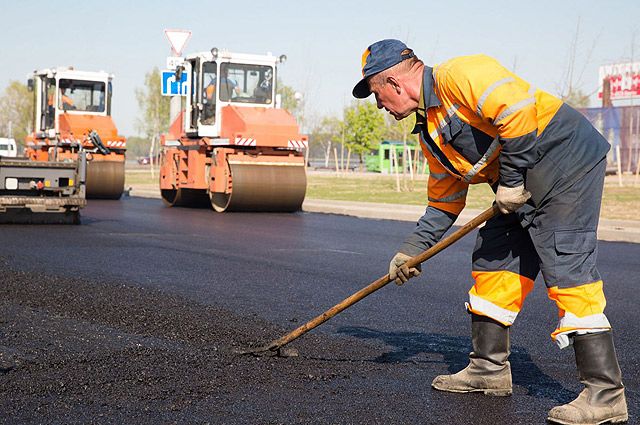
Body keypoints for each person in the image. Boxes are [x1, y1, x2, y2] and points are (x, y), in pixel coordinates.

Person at [352, 39, 627, 425]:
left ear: (394, 83)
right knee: (494, 258)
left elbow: (516, 113)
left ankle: (605, 394)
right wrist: (410, 251)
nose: (379, 105)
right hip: (516, 186)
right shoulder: (430, 132)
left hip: (565, 162)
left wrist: (511, 181)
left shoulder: (459, 74)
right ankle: (488, 369)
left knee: (567, 266)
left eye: (376, 94)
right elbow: (444, 202)